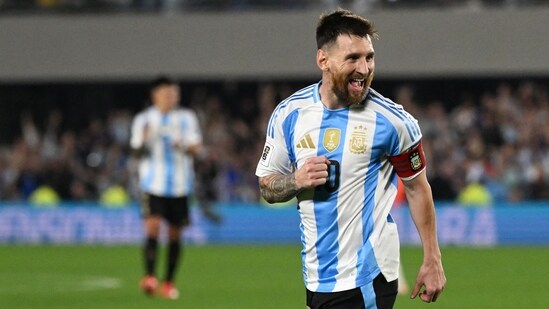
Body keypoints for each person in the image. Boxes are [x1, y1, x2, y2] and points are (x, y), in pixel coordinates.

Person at [255, 9, 445, 309]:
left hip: (367, 275)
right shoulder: (289, 115)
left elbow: (417, 187)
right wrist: (296, 180)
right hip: (316, 275)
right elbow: (266, 185)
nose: (364, 68)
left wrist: (432, 258)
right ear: (323, 60)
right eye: (353, 58)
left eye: (369, 57)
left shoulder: (393, 122)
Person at [130, 76, 203, 300]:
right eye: (167, 94)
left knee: (174, 234)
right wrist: (142, 142)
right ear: (156, 96)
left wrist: (182, 145)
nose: (172, 98)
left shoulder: (187, 118)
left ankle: (169, 281)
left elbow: (196, 150)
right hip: (153, 184)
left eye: (175, 94)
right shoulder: (144, 120)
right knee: (152, 227)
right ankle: (150, 276)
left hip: (180, 186)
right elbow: (135, 152)